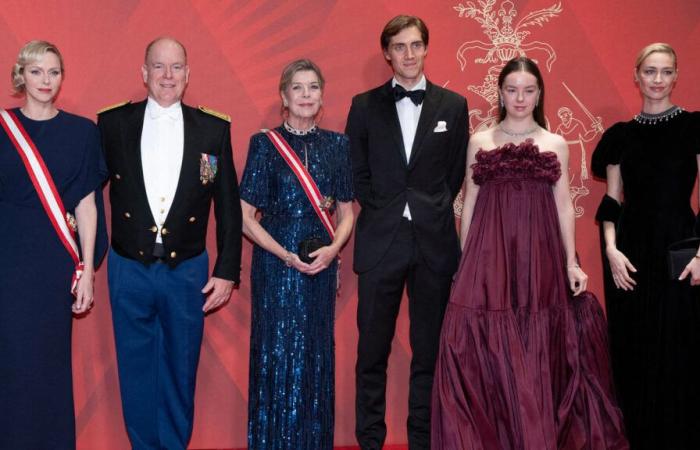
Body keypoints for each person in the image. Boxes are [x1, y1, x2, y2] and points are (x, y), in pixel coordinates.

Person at [431, 57, 628, 449]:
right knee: (478, 341)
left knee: (535, 339)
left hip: (540, 258)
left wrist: (571, 261)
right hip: (488, 257)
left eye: (529, 90)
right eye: (512, 89)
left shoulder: (554, 143)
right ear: (500, 93)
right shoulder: (480, 141)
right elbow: (469, 204)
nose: (520, 98)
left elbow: (563, 207)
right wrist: (464, 259)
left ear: (539, 94)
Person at [97, 37, 242, 450]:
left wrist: (227, 270)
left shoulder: (213, 129)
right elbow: (87, 193)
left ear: (188, 74)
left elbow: (227, 205)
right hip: (129, 268)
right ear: (143, 73)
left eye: (176, 67)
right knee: (136, 370)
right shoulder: (113, 124)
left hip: (188, 270)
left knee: (181, 368)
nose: (167, 76)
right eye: (158, 67)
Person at [346, 15, 469, 449]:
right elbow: (356, 172)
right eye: (400, 46)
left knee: (429, 354)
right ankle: (370, 440)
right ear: (387, 53)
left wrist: (428, 209)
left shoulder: (453, 106)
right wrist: (385, 209)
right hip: (381, 240)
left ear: (427, 48)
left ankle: (423, 440)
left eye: (416, 45)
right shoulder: (363, 106)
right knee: (372, 352)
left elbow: (455, 172)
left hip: (434, 243)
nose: (409, 54)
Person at [240, 59, 354, 450]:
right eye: (298, 88)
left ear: (322, 95)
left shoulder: (338, 145)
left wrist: (334, 249)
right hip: (276, 266)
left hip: (320, 265)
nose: (306, 95)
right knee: (276, 353)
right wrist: (286, 256)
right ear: (284, 97)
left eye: (313, 88)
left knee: (315, 355)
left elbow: (346, 212)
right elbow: (245, 218)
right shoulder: (264, 144)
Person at [592, 43, 700, 450]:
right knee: (634, 349)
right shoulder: (620, 137)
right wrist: (610, 249)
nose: (657, 80)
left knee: (680, 348)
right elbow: (612, 200)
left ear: (676, 76)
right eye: (650, 72)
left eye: (666, 72)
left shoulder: (693, 127)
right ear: (636, 76)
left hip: (681, 250)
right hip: (630, 256)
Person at [0, 40, 107, 449]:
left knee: (48, 363)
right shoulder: (3, 126)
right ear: (20, 76)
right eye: (37, 71)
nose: (46, 80)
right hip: (8, 260)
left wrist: (86, 272)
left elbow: (86, 205)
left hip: (53, 263)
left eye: (54, 72)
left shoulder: (81, 132)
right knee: (9, 360)